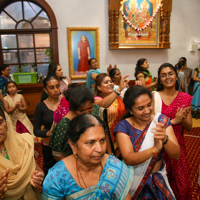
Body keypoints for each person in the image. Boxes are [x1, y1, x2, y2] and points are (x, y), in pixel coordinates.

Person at [42, 113, 134, 199]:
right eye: (90, 143)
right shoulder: (57, 177)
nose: (100, 149)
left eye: (102, 141)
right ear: (73, 145)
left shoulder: (116, 168)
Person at [114, 85, 180, 199]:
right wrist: (154, 149)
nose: (147, 110)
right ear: (130, 110)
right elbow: (129, 158)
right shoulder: (123, 126)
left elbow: (176, 154)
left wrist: (164, 139)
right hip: (133, 183)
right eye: (140, 108)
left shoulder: (161, 121)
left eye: (149, 105)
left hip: (156, 182)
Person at [153, 63, 193, 200]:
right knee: (160, 185)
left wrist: (182, 118)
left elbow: (188, 127)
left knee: (182, 186)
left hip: (177, 145)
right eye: (163, 75)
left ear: (176, 76)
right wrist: (174, 121)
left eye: (170, 74)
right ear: (159, 79)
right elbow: (150, 123)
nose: (167, 77)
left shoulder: (185, 98)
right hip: (158, 144)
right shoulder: (154, 97)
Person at [49, 84, 108, 161]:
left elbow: (105, 134)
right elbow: (57, 154)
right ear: (73, 109)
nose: (87, 112)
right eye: (81, 110)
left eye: (90, 108)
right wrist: (79, 165)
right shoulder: (64, 125)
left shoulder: (96, 110)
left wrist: (109, 155)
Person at [0, 107, 44, 199]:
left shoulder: (22, 142)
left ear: (6, 122)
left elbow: (39, 170)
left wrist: (38, 177)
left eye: (0, 122)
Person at [94, 73, 129, 157]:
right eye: (106, 82)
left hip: (121, 136)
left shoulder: (118, 98)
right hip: (107, 139)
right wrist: (118, 90)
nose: (110, 84)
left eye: (111, 81)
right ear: (99, 87)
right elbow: (103, 105)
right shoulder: (97, 100)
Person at [34, 76, 61, 176]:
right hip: (49, 145)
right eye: (52, 87)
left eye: (57, 86)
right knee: (50, 171)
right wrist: (47, 133)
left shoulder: (65, 103)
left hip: (65, 145)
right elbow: (36, 130)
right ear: (45, 90)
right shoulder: (41, 106)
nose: (56, 90)